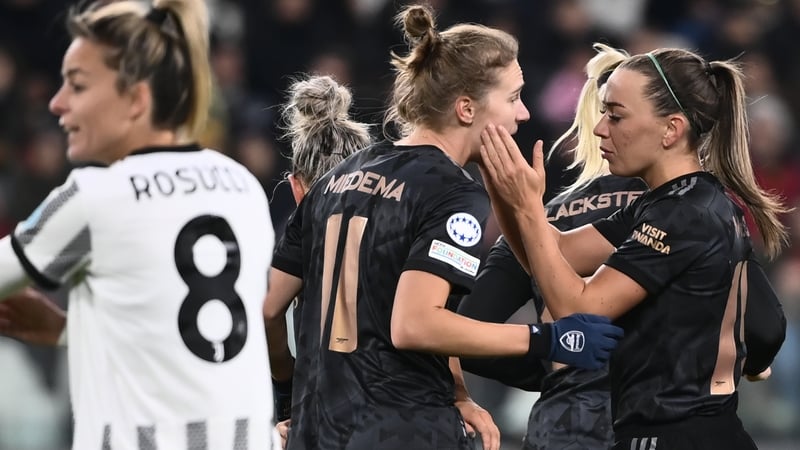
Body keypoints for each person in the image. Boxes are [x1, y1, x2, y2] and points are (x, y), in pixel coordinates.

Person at [262, 4, 623, 450]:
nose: (524, 114)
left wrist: (289, 394)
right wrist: (544, 339)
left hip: (316, 433)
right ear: (466, 108)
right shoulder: (453, 194)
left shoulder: (340, 176)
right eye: (512, 98)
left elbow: (271, 309)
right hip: (403, 430)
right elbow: (415, 325)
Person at [459, 43, 786, 450]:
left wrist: (527, 208)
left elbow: (578, 309)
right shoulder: (662, 203)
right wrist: (505, 191)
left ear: (672, 129)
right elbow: (554, 249)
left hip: (681, 437)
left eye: (615, 116)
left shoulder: (686, 214)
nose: (599, 129)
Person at [0, 1, 277, 448]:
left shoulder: (94, 195)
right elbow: (194, 334)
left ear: (136, 100)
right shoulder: (242, 187)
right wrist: (75, 331)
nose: (58, 103)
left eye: (77, 85)